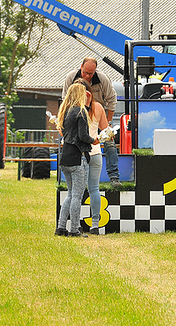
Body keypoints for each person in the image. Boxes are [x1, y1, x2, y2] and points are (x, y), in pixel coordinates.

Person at [63, 57, 122, 188]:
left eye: (91, 74)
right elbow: (65, 100)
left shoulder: (102, 78)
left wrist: (107, 122)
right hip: (77, 115)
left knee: (110, 141)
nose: (87, 76)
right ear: (81, 67)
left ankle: (114, 176)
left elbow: (112, 100)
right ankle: (72, 176)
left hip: (97, 113)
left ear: (95, 71)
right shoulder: (70, 77)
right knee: (71, 141)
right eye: (85, 72)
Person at [55, 82, 98, 238]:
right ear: (80, 95)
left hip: (65, 156)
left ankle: (60, 227)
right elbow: (83, 136)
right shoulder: (80, 112)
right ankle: (74, 229)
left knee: (70, 194)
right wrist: (94, 140)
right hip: (78, 157)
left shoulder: (65, 112)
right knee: (77, 196)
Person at [74, 78, 109, 235]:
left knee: (77, 191)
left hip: (80, 154)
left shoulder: (74, 109)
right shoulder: (98, 107)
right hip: (96, 152)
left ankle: (76, 224)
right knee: (94, 189)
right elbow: (105, 129)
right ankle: (95, 224)